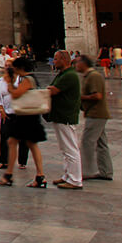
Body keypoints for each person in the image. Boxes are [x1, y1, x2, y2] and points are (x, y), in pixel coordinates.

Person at [0, 57, 47, 188]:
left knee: (22, 143)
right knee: (21, 143)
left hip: (27, 118)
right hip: (27, 117)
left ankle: (11, 176)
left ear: (20, 68)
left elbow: (16, 94)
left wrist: (10, 83)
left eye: (14, 67)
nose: (13, 69)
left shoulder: (28, 79)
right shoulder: (27, 79)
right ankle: (36, 176)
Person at [46, 50, 83, 189]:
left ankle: (75, 180)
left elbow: (53, 90)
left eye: (56, 59)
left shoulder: (70, 75)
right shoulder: (64, 74)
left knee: (70, 148)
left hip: (65, 116)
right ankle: (67, 175)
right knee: (65, 149)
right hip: (60, 115)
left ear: (64, 60)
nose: (54, 62)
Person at [75, 55, 113, 182]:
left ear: (84, 63)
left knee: (87, 142)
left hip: (96, 114)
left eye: (77, 62)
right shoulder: (87, 76)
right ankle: (106, 172)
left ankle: (86, 171)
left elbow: (97, 96)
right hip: (94, 113)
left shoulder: (94, 76)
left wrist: (81, 97)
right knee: (101, 143)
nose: (75, 64)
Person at [0, 60, 29, 170]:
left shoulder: (21, 80)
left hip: (19, 113)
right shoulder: (0, 81)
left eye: (10, 66)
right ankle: (3, 161)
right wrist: (1, 109)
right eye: (6, 66)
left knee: (22, 138)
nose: (7, 68)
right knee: (4, 136)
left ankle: (22, 161)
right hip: (6, 113)